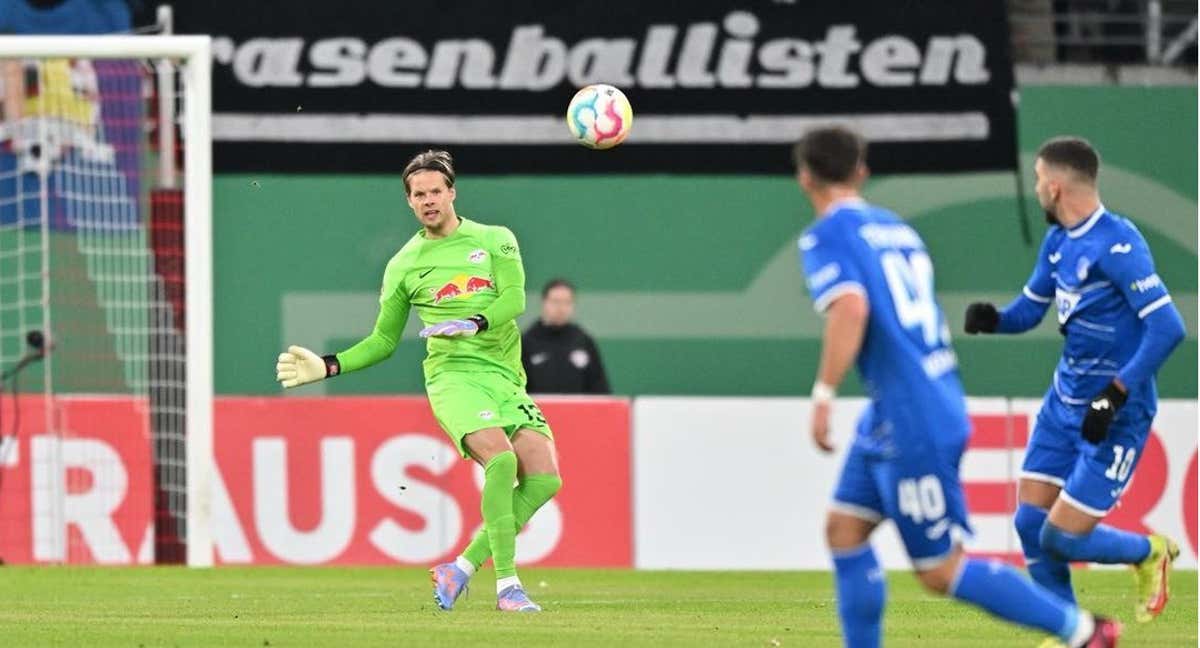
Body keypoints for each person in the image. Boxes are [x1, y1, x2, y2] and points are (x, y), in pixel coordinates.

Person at [794, 126, 1120, 647]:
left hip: (911, 418)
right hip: (902, 408)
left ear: (804, 176)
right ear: (862, 171)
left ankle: (1086, 631)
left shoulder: (826, 235)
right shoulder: (898, 230)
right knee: (844, 530)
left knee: (940, 571)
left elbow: (851, 307)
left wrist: (823, 394)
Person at [274, 150, 561, 613]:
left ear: (452, 193)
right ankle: (508, 588)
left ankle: (460, 568)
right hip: (453, 378)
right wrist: (329, 366)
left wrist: (474, 321)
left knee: (545, 479)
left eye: (435, 191)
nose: (428, 200)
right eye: (418, 194)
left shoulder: (495, 240)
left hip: (505, 376)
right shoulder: (405, 265)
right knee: (502, 462)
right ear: (408, 202)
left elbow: (514, 299)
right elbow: (382, 341)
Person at [963, 136, 1185, 623]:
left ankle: (1148, 552)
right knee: (1028, 522)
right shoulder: (1058, 242)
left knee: (1060, 537)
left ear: (1058, 186)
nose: (1037, 188)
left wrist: (1115, 394)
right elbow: (1031, 310)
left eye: (1041, 179)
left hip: (1116, 413)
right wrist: (995, 319)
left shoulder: (1118, 243)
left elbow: (1169, 328)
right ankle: (1072, 633)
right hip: (1064, 403)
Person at [522, 278, 611, 394]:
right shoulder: (527, 341)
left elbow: (600, 388)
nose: (561, 308)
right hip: (538, 410)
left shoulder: (583, 341)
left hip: (577, 411)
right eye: (556, 301)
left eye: (567, 302)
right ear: (544, 302)